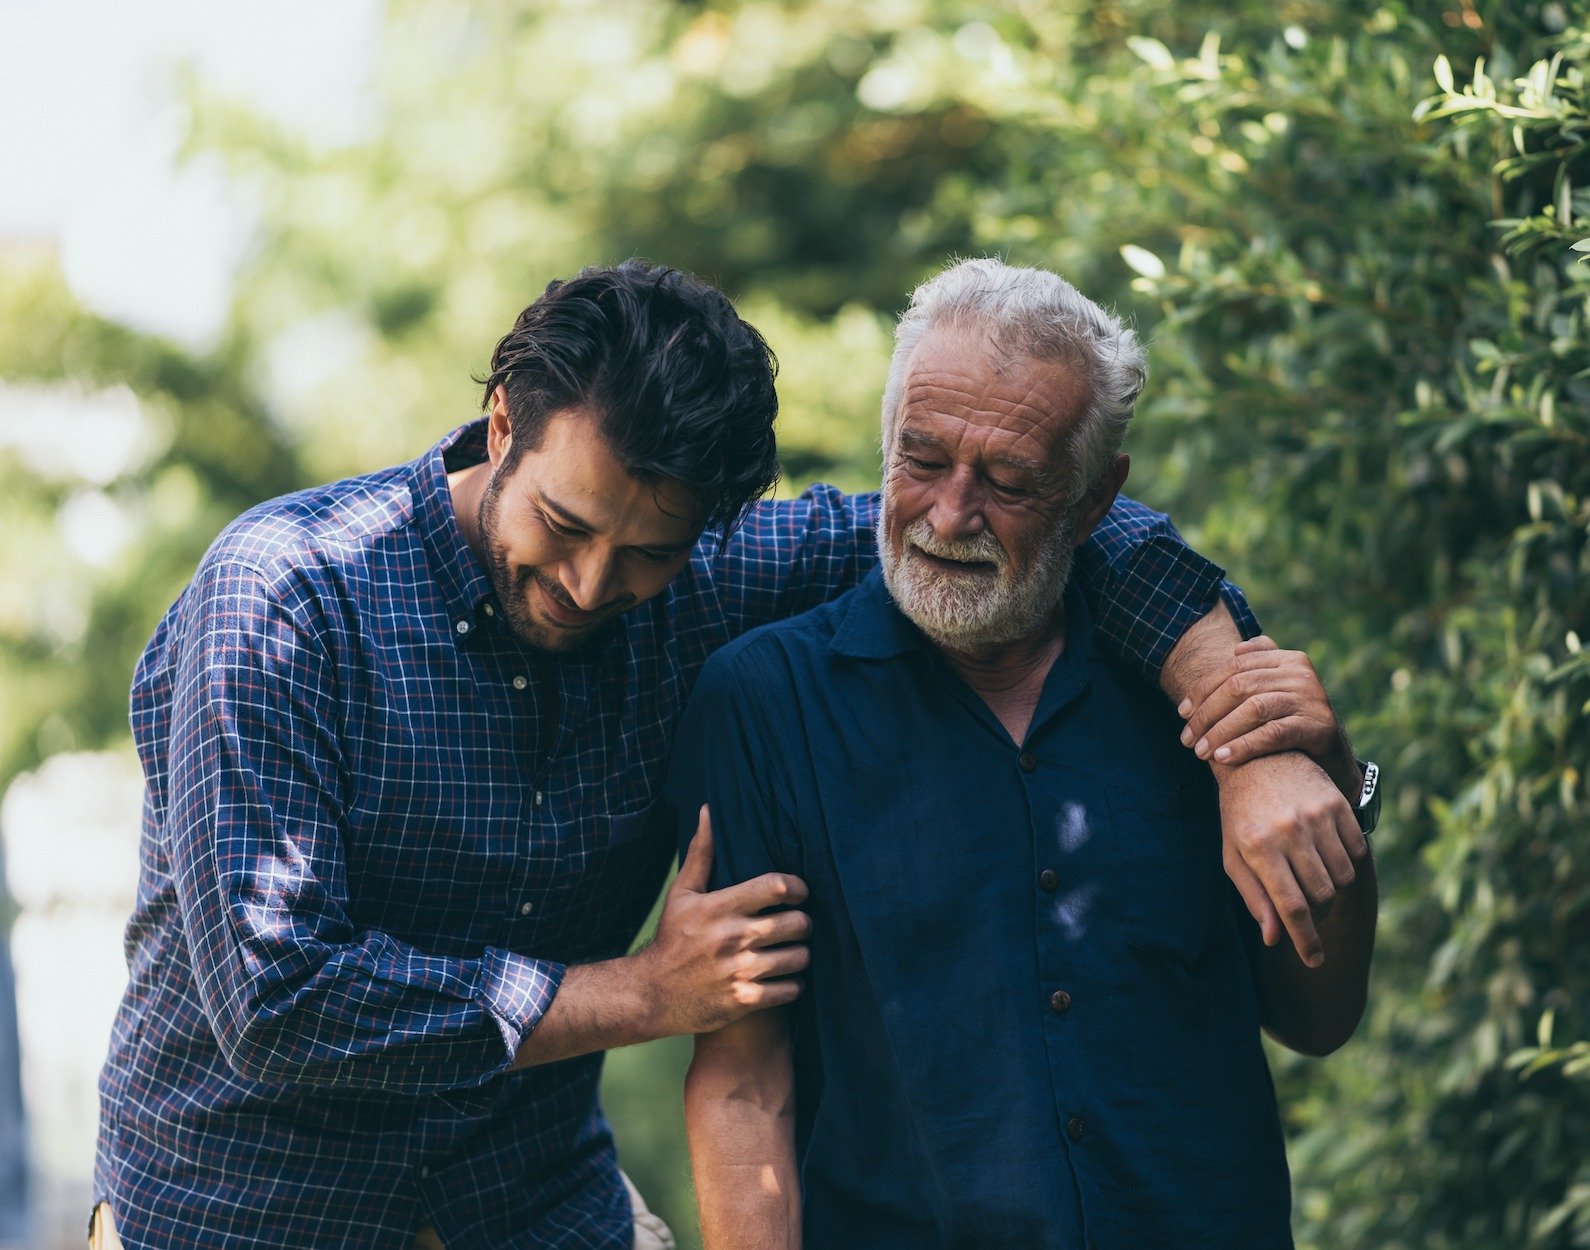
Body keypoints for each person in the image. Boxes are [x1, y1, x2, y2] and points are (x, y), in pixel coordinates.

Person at [95, 261, 1351, 1250]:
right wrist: (647, 991)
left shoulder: (709, 574)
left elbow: (1063, 527)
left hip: (530, 1214)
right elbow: (277, 998)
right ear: (500, 428)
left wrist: (1247, 732)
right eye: (565, 523)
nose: (592, 584)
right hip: (242, 1211)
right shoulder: (283, 600)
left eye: (646, 552)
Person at [673, 259, 1379, 1249]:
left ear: (1096, 501)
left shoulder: (1203, 687)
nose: (950, 515)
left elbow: (1318, 1016)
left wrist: (1325, 779)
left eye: (1008, 481)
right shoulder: (765, 700)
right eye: (920, 460)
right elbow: (748, 1075)